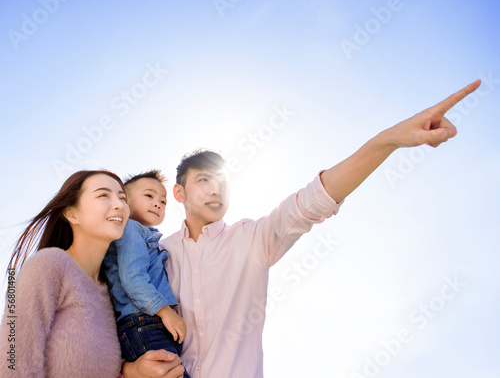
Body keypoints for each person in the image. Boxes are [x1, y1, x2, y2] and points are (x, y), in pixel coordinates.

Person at [160, 80, 482, 377]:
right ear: (179, 193)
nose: (216, 190)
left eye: (223, 182)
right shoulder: (159, 253)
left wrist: (390, 140)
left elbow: (314, 199)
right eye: (204, 180)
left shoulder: (250, 239)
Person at [0, 170, 185, 378]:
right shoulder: (47, 265)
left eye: (122, 198)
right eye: (103, 195)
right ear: (72, 214)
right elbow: (12, 361)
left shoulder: (112, 293)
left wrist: (132, 370)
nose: (118, 205)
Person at [102, 171, 190, 377]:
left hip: (148, 325)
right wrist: (166, 312)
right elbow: (133, 279)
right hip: (143, 323)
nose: (158, 204)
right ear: (124, 201)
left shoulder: (147, 236)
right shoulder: (131, 229)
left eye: (163, 201)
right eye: (149, 196)